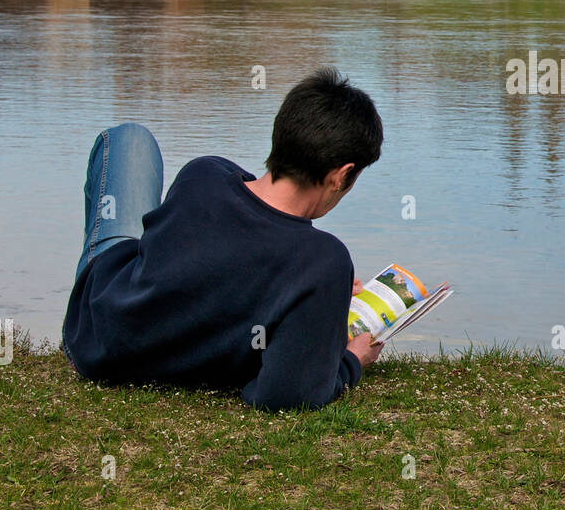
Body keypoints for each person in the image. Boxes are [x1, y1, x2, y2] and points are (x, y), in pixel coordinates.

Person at [62, 67, 385, 410]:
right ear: (342, 175)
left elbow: (232, 244)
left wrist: (316, 292)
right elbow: (288, 396)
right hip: (126, 350)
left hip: (97, 332)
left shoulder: (204, 173)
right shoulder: (322, 260)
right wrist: (351, 361)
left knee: (129, 139)